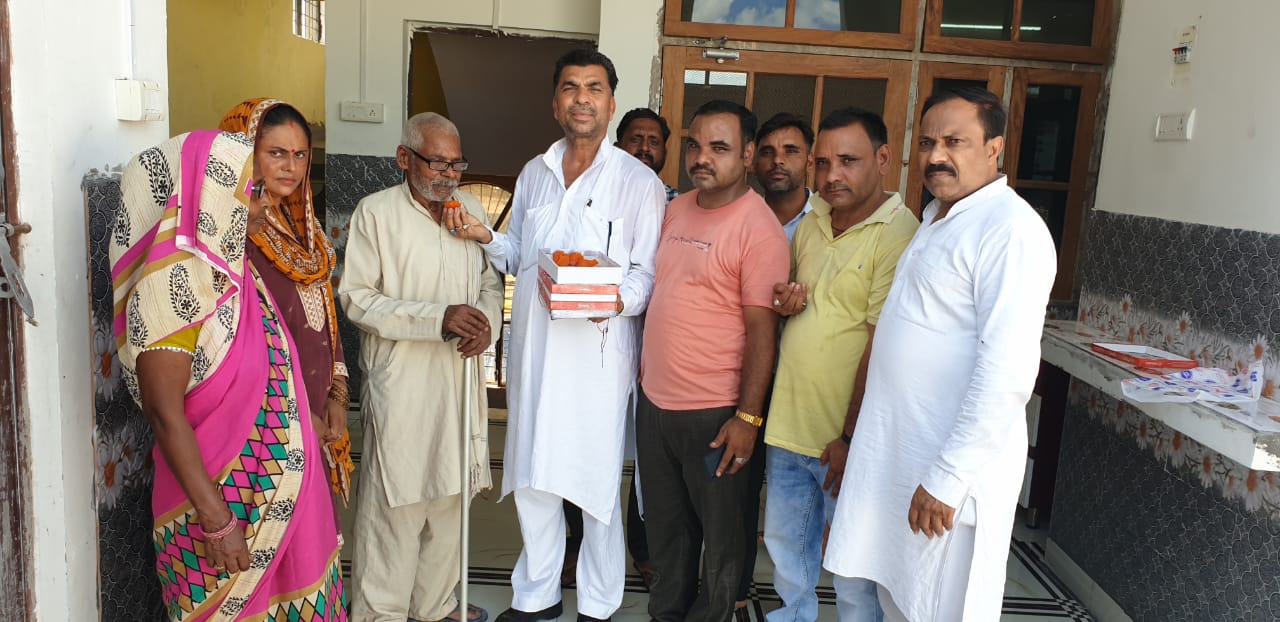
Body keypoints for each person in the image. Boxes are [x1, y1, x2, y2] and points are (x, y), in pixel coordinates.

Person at [444, 49, 665, 622]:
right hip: (536, 355)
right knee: (533, 475)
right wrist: (485, 236)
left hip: (598, 360)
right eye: (571, 87)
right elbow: (519, 253)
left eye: (594, 88)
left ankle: (598, 602)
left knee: (594, 485)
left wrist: (609, 300)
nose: (582, 98)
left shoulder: (637, 182)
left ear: (610, 103)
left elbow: (646, 276)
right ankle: (536, 596)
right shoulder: (534, 172)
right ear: (555, 103)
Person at [822, 87, 1057, 621]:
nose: (936, 156)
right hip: (900, 457)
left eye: (955, 142)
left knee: (941, 605)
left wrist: (948, 477)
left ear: (994, 147)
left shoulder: (1010, 230)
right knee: (898, 597)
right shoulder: (937, 217)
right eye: (927, 143)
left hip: (948, 473)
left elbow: (1007, 371)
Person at [112, 129, 346, 620]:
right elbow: (164, 413)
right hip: (217, 515)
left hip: (288, 504)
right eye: (251, 192)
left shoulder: (237, 274)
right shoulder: (168, 291)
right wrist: (218, 521)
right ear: (208, 197)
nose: (263, 206)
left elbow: (272, 376)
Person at [338, 112, 502, 622]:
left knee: (450, 502)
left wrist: (486, 323)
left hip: (458, 379)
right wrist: (438, 318)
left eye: (457, 164)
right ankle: (380, 613)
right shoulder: (376, 213)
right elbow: (356, 298)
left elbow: (489, 281)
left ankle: (434, 608)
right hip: (403, 382)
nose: (449, 175)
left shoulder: (469, 209)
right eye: (438, 163)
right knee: (396, 506)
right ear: (404, 159)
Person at [637, 99, 790, 622]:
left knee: (722, 545)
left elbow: (763, 333)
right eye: (695, 145)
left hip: (716, 414)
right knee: (667, 534)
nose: (702, 158)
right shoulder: (676, 209)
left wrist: (747, 418)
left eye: (719, 148)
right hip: (656, 406)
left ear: (747, 155)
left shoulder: (758, 228)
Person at [763, 108, 917, 622]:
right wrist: (785, 303)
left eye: (848, 161)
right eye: (823, 162)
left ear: (883, 159)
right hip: (790, 425)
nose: (832, 175)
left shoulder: (900, 235)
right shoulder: (812, 221)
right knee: (788, 555)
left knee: (853, 570)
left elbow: (881, 346)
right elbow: (797, 305)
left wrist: (851, 436)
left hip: (847, 440)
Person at [217, 98, 356, 513]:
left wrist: (337, 396)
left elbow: (327, 321)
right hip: (264, 420)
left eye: (300, 155)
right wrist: (295, 413)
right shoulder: (232, 238)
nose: (290, 167)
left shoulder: (308, 234)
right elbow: (236, 344)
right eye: (276, 153)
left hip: (317, 411)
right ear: (245, 154)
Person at [560, 106, 674, 591]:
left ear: (665, 150)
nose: (644, 148)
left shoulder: (678, 205)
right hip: (595, 346)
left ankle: (643, 549)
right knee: (583, 447)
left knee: (646, 458)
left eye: (654, 140)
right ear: (617, 142)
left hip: (659, 349)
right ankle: (576, 545)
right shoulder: (593, 192)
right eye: (635, 139)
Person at [753, 113, 817, 242]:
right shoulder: (740, 219)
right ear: (755, 163)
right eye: (767, 152)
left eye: (790, 151)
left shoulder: (831, 220)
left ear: (809, 162)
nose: (777, 160)